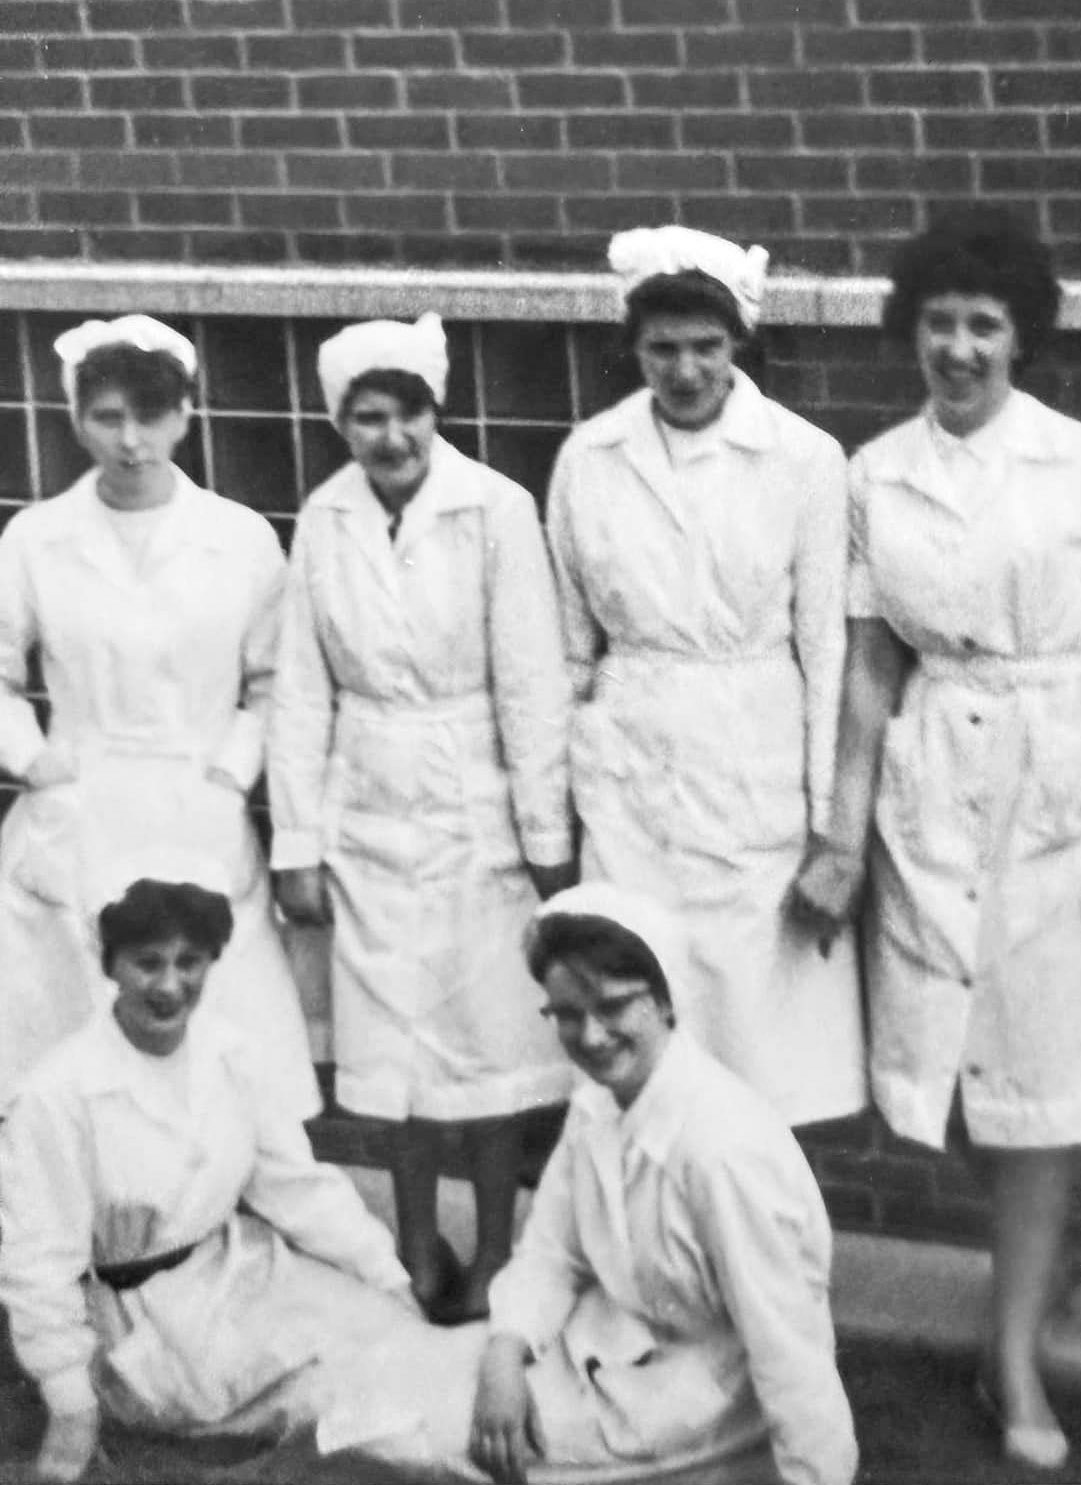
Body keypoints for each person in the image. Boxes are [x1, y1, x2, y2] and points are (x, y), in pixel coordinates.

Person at [789, 209, 1081, 1471]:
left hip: (1061, 768)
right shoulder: (871, 472)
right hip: (930, 782)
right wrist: (843, 832)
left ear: (1022, 338)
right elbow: (865, 662)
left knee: (1043, 1071)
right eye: (939, 323)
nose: (959, 348)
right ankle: (1047, 1260)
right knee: (947, 1064)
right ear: (913, 332)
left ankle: (1009, 1356)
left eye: (983, 325)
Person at [268, 313, 576, 1323]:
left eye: (404, 415)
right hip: (366, 805)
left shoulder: (495, 508)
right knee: (394, 1049)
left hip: (473, 800)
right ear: (341, 424)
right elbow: (302, 688)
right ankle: (411, 1238)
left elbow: (532, 682)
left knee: (485, 1045)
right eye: (366, 418)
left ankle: (494, 1247)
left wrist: (543, 842)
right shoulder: (323, 517)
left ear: (434, 413)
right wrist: (297, 840)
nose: (388, 437)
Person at [545, 225, 865, 1128]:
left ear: (739, 344)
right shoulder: (590, 458)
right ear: (633, 349)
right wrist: (559, 801)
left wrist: (825, 827)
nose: (686, 370)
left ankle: (767, 1257)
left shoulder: (803, 459)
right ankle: (651, 1257)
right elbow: (572, 649)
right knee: (634, 1028)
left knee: (760, 1050)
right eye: (663, 349)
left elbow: (827, 651)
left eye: (706, 348)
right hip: (631, 778)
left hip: (754, 767)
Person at [0, 873, 442, 1484]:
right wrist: (69, 1406)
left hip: (239, 1271)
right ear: (110, 966)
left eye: (190, 963)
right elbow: (37, 1262)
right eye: (147, 964)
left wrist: (385, 1273)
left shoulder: (231, 1054)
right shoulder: (58, 1093)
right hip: (137, 1323)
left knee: (403, 1343)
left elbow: (299, 1187)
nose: (169, 985)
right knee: (367, 1404)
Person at [0, 315, 319, 1120]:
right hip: (80, 800)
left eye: (150, 416)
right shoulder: (36, 539)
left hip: (197, 803)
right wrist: (34, 760)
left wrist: (229, 775)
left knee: (219, 1038)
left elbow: (275, 682)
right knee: (68, 1042)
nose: (131, 440)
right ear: (76, 419)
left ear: (184, 416)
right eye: (107, 417)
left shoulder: (241, 538)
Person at [468, 881, 859, 1485]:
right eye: (567, 1014)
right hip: (622, 1351)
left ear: (668, 1001)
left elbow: (790, 1355)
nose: (591, 1036)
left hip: (717, 1398)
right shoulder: (595, 1105)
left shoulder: (721, 1151)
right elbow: (551, 1252)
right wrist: (505, 1349)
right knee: (459, 1409)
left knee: (463, 1445)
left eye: (615, 1006)